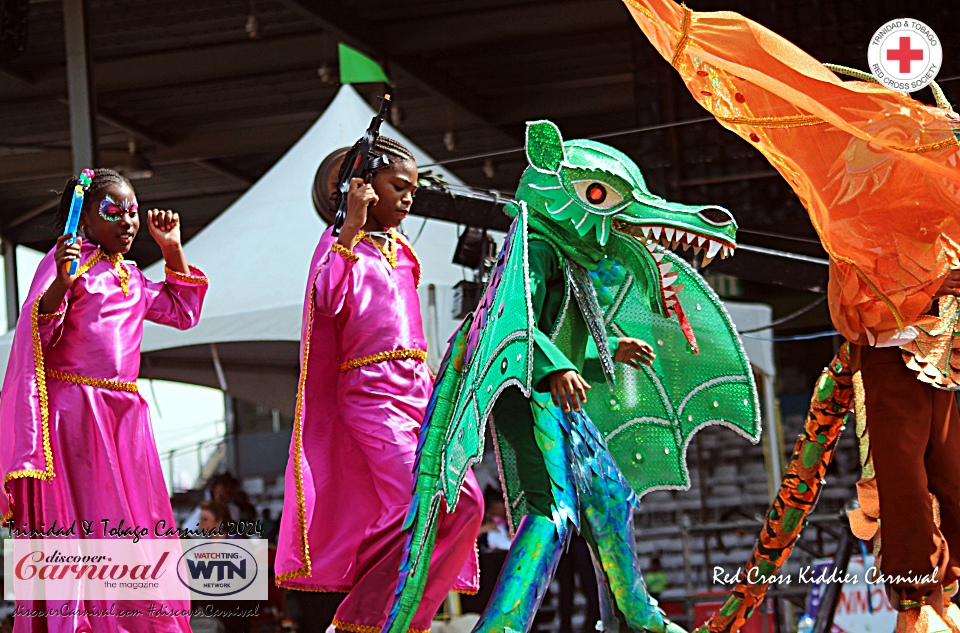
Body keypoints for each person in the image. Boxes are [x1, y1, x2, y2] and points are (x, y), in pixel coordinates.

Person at [274, 136, 482, 632]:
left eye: (412, 188)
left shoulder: (404, 251)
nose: (408, 198)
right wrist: (349, 223)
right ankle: (363, 617)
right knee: (417, 500)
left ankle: (407, 617)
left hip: (419, 393)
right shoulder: (338, 246)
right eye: (398, 187)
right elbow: (326, 302)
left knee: (467, 500)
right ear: (360, 188)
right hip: (370, 397)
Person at [0, 168, 208, 632]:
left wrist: (171, 247)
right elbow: (37, 330)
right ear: (85, 219)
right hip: (74, 414)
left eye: (133, 211)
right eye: (113, 211)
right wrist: (62, 281)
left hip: (124, 419)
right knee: (82, 526)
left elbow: (181, 311)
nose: (128, 221)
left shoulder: (131, 275)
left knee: (134, 526)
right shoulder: (67, 264)